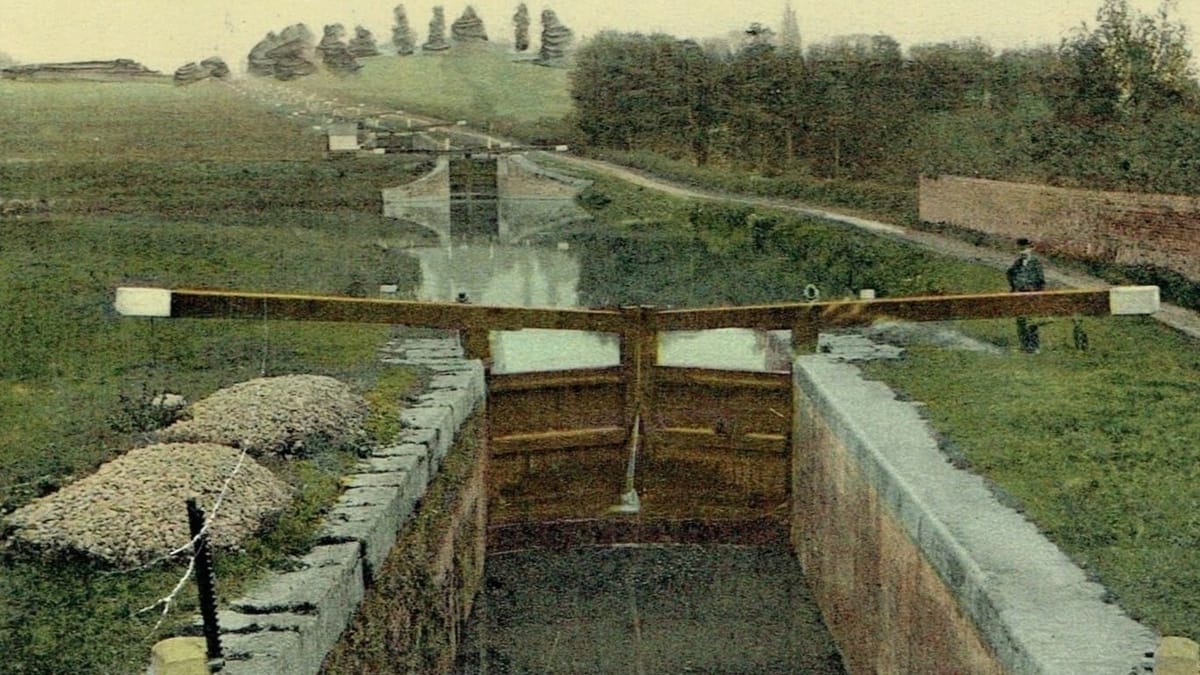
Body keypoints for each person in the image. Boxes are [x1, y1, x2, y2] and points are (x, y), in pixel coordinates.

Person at [1006, 238, 1045, 353]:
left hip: (1032, 296)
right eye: (1020, 249)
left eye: (1025, 249)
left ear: (1031, 249)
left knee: (1032, 322)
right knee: (1021, 321)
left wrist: (1037, 294)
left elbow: (1040, 281)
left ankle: (1034, 346)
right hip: (1020, 296)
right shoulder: (1017, 263)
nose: (1023, 252)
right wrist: (1014, 288)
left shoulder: (1036, 263)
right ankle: (1024, 345)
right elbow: (1010, 274)